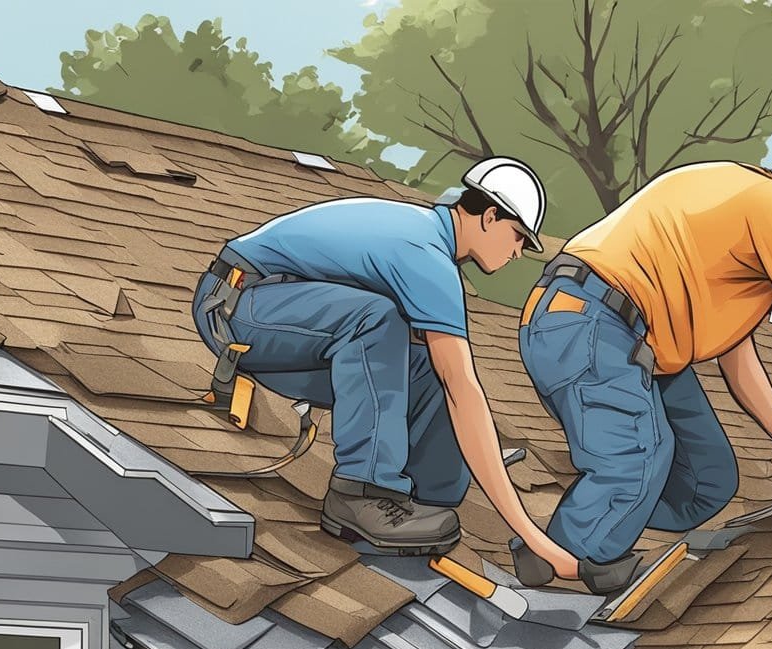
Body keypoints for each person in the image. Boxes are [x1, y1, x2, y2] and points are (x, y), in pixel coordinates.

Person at [516, 126, 772, 594]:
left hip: (623, 335)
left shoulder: (736, 205)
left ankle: (601, 523)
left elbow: (735, 352)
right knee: (639, 456)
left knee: (706, 480)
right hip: (591, 323)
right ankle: (556, 561)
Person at [192, 157, 582, 578]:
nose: (518, 252)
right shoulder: (425, 255)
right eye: (518, 236)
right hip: (237, 306)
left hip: (285, 320)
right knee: (379, 322)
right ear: (489, 217)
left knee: (423, 360)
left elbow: (445, 382)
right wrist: (533, 536)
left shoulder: (431, 246)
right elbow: (464, 392)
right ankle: (360, 494)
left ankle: (425, 499)